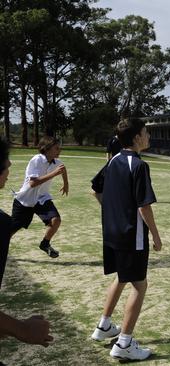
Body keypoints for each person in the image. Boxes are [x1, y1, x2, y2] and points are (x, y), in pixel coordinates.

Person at [91, 118, 162, 361]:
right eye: (145, 133)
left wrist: (113, 212)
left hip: (112, 232)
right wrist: (155, 234)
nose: (148, 137)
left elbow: (96, 190)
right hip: (132, 235)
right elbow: (144, 207)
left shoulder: (113, 162)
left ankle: (104, 326)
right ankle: (124, 343)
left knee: (122, 278)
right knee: (139, 285)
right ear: (135, 138)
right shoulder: (139, 165)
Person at [0, 139, 54, 349]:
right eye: (5, 160)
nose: (10, 165)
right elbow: (32, 183)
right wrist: (22, 329)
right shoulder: (1, 224)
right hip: (24, 202)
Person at [11, 136, 68, 258]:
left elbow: (63, 168)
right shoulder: (37, 160)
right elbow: (33, 183)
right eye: (56, 148)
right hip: (25, 200)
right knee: (12, 229)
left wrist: (66, 184)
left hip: (42, 199)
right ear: (46, 149)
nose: (60, 150)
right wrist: (54, 173)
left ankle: (45, 244)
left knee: (56, 220)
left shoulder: (56, 162)